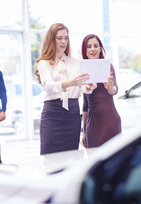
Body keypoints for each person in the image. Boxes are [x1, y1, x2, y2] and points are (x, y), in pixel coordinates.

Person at [34, 23, 95, 155]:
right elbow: (48, 86)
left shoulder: (76, 62)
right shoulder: (44, 63)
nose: (63, 42)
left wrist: (88, 87)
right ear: (51, 40)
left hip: (72, 113)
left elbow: (82, 87)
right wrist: (69, 83)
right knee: (49, 156)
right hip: (52, 113)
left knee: (71, 155)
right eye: (59, 38)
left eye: (66, 38)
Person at [81, 34, 121, 148]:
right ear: (85, 50)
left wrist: (110, 88)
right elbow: (85, 105)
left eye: (95, 46)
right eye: (89, 46)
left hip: (110, 121)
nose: (92, 49)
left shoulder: (108, 66)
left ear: (100, 48)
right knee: (95, 162)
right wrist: (84, 131)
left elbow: (114, 90)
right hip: (92, 125)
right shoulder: (83, 70)